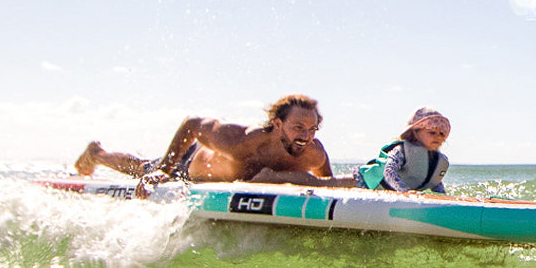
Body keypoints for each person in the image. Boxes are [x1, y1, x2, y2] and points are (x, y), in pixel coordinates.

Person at [74, 94, 342, 185]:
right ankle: (96, 154)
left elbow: (325, 185)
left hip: (228, 182)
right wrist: (163, 171)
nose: (306, 137)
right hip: (190, 167)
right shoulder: (239, 140)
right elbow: (192, 124)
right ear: (277, 124)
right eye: (298, 127)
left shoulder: (313, 154)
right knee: (143, 168)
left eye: (313, 129)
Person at [357, 107, 451, 193]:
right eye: (432, 132)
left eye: (442, 134)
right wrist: (405, 191)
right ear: (415, 132)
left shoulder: (435, 159)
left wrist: (443, 197)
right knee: (345, 182)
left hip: (391, 191)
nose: (438, 136)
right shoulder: (402, 151)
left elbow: (434, 181)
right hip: (365, 182)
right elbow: (389, 171)